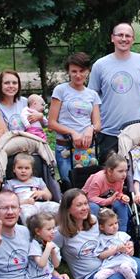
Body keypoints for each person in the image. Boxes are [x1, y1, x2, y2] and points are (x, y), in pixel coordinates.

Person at [53, 189, 140, 279]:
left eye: (85, 203)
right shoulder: (60, 233)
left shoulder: (93, 221)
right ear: (68, 209)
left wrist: (128, 244)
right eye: (79, 205)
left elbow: (111, 236)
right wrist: (57, 275)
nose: (85, 208)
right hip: (90, 275)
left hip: (112, 260)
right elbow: (48, 259)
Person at [88, 22, 140, 159]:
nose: (123, 39)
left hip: (138, 131)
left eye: (128, 36)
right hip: (109, 132)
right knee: (110, 175)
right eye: (120, 35)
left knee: (137, 175)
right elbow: (91, 97)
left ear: (133, 39)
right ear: (112, 38)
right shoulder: (100, 65)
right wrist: (94, 124)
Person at [47, 52, 101, 183]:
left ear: (88, 71)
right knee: (69, 185)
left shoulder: (92, 94)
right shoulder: (61, 90)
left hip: (87, 149)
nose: (78, 75)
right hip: (65, 148)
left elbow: (98, 124)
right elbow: (51, 123)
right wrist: (72, 132)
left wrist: (90, 129)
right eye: (74, 71)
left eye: (82, 71)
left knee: (89, 186)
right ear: (68, 72)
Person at [24, 212, 88, 279]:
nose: (53, 232)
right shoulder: (34, 244)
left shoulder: (50, 244)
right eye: (49, 229)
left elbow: (56, 265)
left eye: (53, 228)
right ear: (38, 231)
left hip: (47, 278)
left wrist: (53, 252)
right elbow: (41, 264)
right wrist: (48, 249)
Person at [92, 208, 140, 279]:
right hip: (110, 265)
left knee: (124, 267)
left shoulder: (122, 235)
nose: (114, 227)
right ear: (102, 227)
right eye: (110, 225)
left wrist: (129, 249)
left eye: (115, 223)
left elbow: (130, 250)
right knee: (97, 277)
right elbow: (100, 256)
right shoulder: (101, 239)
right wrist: (115, 249)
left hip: (123, 262)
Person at [82, 153, 132, 232]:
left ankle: (122, 233)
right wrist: (108, 201)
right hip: (89, 200)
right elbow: (91, 198)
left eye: (126, 171)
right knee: (94, 207)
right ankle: (93, 232)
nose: (124, 174)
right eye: (121, 171)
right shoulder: (98, 179)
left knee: (122, 205)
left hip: (108, 198)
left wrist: (122, 197)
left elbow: (117, 193)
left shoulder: (120, 179)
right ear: (109, 171)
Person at [3, 152, 54, 220]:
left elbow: (49, 196)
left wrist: (42, 193)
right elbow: (8, 202)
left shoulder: (38, 181)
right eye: (20, 168)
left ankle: (55, 228)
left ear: (32, 170)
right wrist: (25, 202)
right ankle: (32, 229)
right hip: (24, 206)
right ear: (14, 169)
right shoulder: (10, 183)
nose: (23, 171)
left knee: (55, 207)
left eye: (27, 168)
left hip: (40, 204)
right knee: (26, 214)